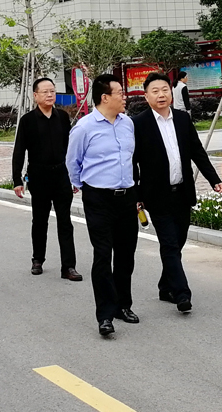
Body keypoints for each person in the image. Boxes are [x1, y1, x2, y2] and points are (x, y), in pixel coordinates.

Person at [133, 72, 222, 313]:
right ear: (146, 96)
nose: (161, 95)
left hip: (182, 192)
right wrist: (136, 194)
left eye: (165, 90)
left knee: (178, 241)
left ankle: (165, 286)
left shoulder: (182, 119)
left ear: (171, 93)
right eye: (155, 91)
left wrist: (215, 181)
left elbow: (197, 152)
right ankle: (182, 293)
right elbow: (132, 162)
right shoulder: (138, 123)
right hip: (156, 195)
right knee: (170, 244)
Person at [66, 74, 138, 337]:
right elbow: (72, 162)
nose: (124, 97)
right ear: (105, 97)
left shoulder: (127, 123)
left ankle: (123, 305)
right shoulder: (84, 128)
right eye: (120, 93)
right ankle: (105, 315)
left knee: (126, 254)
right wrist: (85, 186)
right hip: (98, 199)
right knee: (103, 255)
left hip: (126, 197)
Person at [12, 77, 82, 281]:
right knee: (40, 221)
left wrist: (75, 176)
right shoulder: (27, 120)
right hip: (39, 176)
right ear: (35, 96)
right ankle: (37, 259)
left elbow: (70, 149)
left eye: (52, 91)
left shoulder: (63, 117)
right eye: (45, 92)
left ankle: (68, 266)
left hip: (61, 175)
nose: (50, 95)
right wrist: (17, 180)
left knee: (65, 222)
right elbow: (19, 151)